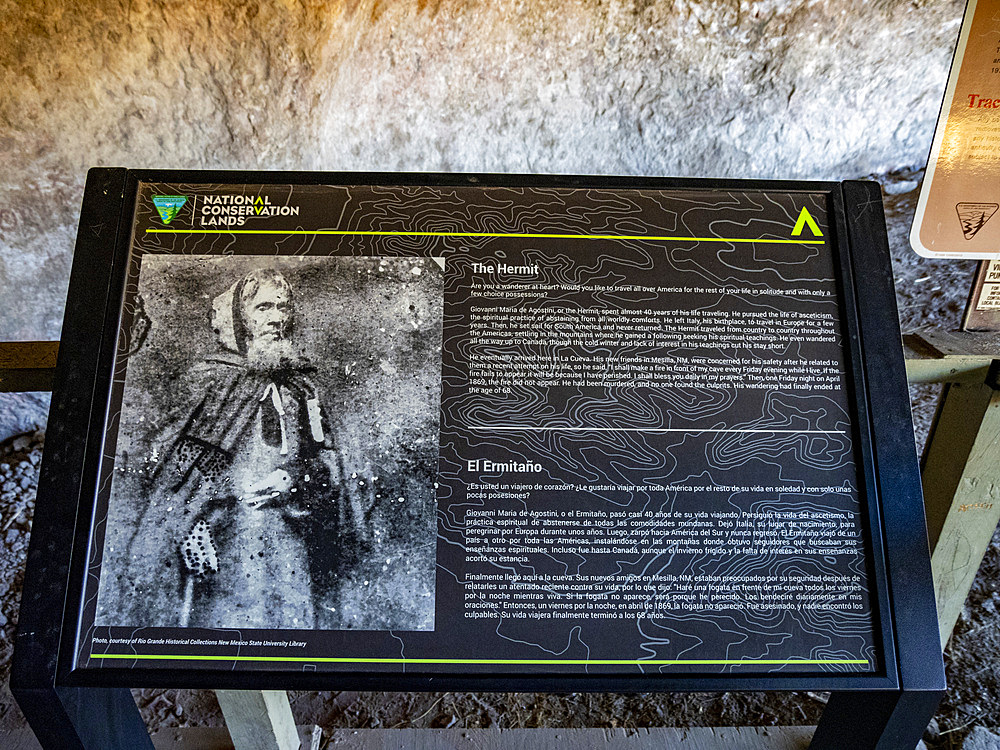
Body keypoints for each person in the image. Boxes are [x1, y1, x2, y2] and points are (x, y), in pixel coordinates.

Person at [112, 268, 366, 629]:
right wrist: (193, 522)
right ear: (239, 318)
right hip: (225, 536)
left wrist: (293, 480)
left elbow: (327, 464)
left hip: (289, 538)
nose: (277, 317)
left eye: (282, 307)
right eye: (264, 307)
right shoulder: (211, 380)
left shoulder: (300, 387)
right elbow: (174, 470)